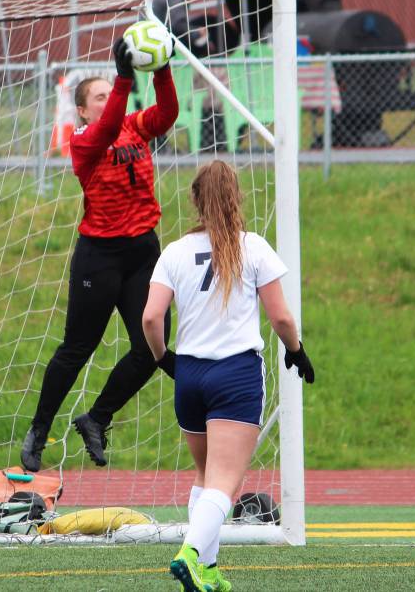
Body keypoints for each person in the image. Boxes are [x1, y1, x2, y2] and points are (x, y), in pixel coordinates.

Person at [141, 161, 314, 592]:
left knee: (205, 476)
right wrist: (297, 352)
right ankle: (190, 554)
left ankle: (210, 569)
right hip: (234, 373)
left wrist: (165, 360)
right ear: (236, 197)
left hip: (191, 375)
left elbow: (150, 318)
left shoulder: (175, 252)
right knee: (227, 481)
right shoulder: (252, 247)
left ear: (195, 200)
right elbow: (280, 318)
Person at [20, 34, 178, 472]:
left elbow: (167, 114)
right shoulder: (86, 141)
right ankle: (39, 428)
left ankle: (96, 417)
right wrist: (125, 78)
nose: (110, 100)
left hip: (143, 252)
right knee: (77, 347)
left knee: (152, 348)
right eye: (100, 96)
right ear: (84, 109)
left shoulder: (136, 127)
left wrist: (161, 67)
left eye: (112, 93)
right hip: (99, 256)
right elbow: (109, 127)